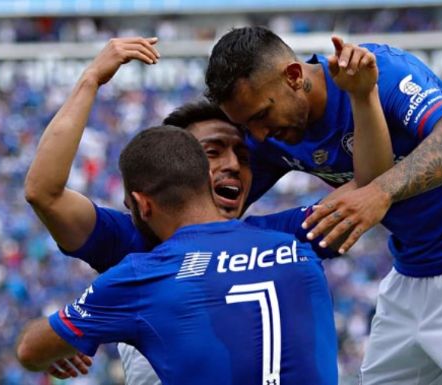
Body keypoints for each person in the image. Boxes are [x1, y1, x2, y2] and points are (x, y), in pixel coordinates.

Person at [23, 37, 384, 383]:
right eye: (210, 153)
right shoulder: (131, 243)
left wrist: (362, 96)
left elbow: (369, 187)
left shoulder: (281, 234)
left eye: (242, 156)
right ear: (173, 166)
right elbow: (44, 193)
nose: (231, 164)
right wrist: (89, 80)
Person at [205, 26, 442, 384]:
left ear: (293, 77)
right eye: (246, 125)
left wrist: (380, 192)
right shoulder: (270, 138)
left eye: (261, 115)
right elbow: (211, 215)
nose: (257, 135)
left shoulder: (381, 71)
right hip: (412, 271)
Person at [16, 125, 339, 385]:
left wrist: (62, 339)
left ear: (142, 205)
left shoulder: (141, 275)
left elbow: (30, 350)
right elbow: (365, 190)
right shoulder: (293, 237)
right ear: (208, 183)